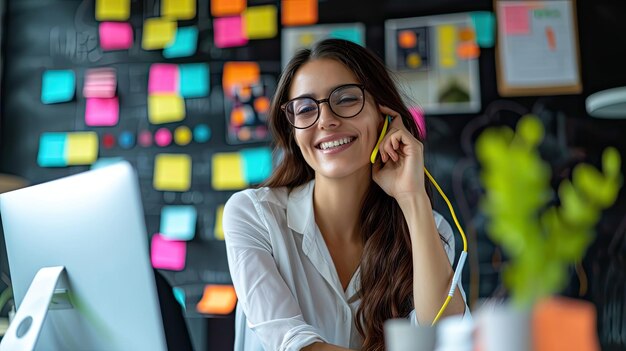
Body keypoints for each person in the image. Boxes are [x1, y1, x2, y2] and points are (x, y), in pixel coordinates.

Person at [223, 38, 470, 351]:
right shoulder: (253, 215)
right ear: (293, 132)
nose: (326, 120)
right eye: (305, 109)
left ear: (386, 115)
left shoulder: (429, 230)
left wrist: (413, 199)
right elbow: (293, 344)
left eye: (347, 99)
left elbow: (445, 339)